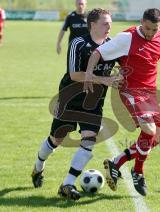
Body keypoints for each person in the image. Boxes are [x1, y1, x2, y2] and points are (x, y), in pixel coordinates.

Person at [84, 8, 160, 196]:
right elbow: (97, 53)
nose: (151, 33)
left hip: (150, 92)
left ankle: (116, 162)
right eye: (148, 28)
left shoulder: (159, 34)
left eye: (154, 29)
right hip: (131, 90)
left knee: (158, 138)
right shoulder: (127, 38)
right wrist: (88, 74)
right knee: (149, 131)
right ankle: (138, 171)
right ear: (142, 22)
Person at [32, 8, 120, 200]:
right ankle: (38, 167)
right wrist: (104, 80)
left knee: (88, 142)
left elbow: (125, 64)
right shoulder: (78, 43)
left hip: (93, 103)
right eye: (105, 23)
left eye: (110, 23)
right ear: (93, 24)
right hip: (70, 99)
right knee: (57, 139)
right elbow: (75, 75)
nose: (109, 26)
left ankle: (67, 184)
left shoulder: (112, 45)